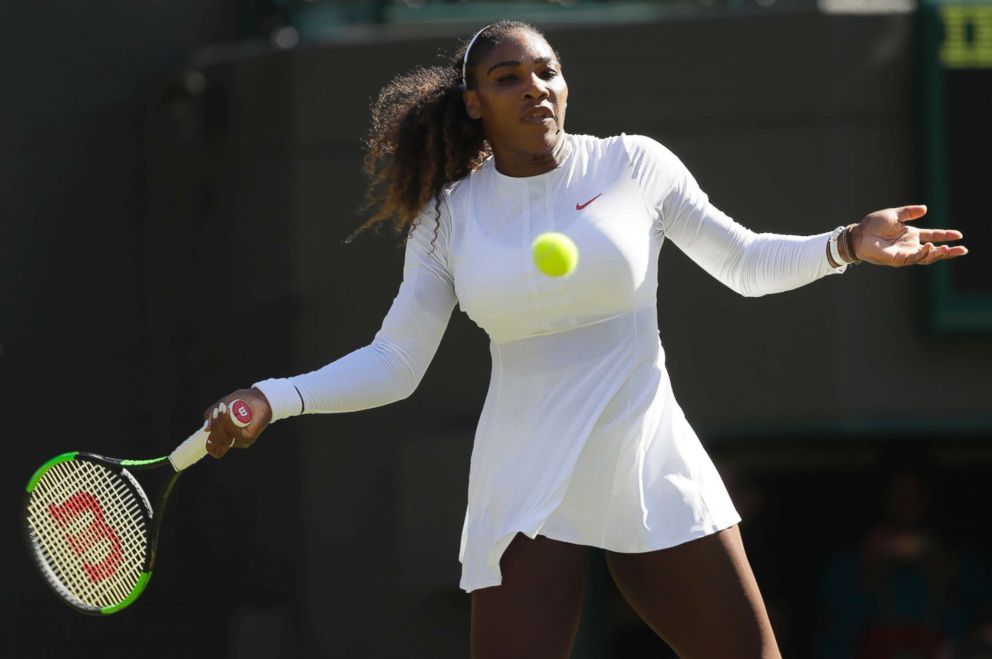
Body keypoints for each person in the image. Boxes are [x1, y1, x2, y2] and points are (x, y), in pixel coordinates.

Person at [199, 21, 968, 659]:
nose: (535, 87)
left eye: (547, 71)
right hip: (528, 479)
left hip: (648, 456)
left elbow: (744, 263)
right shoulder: (447, 217)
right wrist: (274, 396)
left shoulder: (633, 163)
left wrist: (846, 243)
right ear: (473, 103)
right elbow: (395, 363)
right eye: (508, 77)